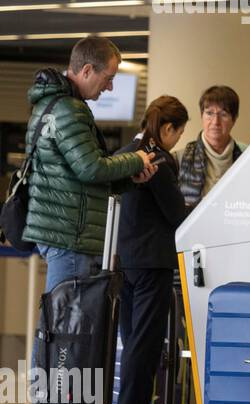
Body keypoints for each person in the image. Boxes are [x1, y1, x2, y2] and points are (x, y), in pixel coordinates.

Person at [23, 37, 155, 297]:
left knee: (63, 320)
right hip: (71, 235)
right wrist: (137, 159)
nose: (110, 87)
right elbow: (90, 168)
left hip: (65, 231)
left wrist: (131, 179)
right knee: (66, 321)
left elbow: (79, 174)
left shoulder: (54, 105)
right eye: (108, 77)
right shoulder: (68, 109)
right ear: (86, 71)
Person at [113, 96, 191, 404]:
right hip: (152, 263)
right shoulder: (159, 159)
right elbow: (177, 214)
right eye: (180, 132)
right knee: (143, 344)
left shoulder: (124, 153)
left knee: (131, 341)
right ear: (168, 128)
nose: (178, 139)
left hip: (123, 261)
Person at [175, 85, 244, 206]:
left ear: (234, 119)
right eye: (209, 113)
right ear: (201, 116)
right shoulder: (179, 159)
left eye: (223, 114)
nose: (215, 122)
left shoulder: (247, 157)